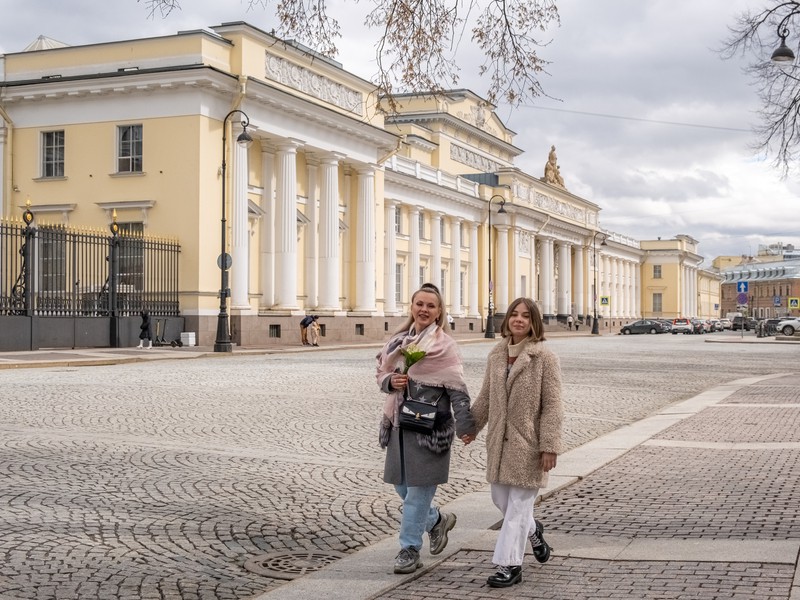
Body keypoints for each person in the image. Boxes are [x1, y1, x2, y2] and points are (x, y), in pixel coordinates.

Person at [463, 297, 564, 588]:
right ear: (506, 319)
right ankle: (534, 532)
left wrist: (550, 445)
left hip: (529, 445)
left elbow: (553, 406)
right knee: (501, 501)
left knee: (518, 508)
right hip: (499, 443)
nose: (518, 320)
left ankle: (509, 565)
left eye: (525, 316)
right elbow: (485, 397)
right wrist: (472, 427)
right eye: (514, 315)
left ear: (534, 323)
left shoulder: (545, 358)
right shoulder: (496, 354)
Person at [376, 283, 475, 575]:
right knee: (402, 486)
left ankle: (408, 549)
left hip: (430, 430)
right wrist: (390, 381)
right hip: (399, 425)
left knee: (418, 493)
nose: (424, 309)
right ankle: (436, 521)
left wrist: (466, 425)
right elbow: (381, 372)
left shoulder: (444, 346)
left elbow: (458, 389)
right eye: (420, 304)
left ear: (439, 312)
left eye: (431, 306)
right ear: (412, 306)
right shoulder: (397, 342)